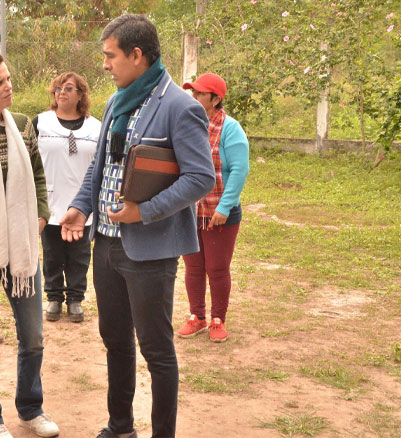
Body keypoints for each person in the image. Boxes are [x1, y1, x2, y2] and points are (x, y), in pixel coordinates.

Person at [59, 14, 215, 438]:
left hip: (151, 248)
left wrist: (144, 212)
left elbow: (200, 178)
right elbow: (100, 166)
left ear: (137, 55)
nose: (105, 65)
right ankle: (120, 426)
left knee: (156, 350)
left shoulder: (179, 107)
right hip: (107, 245)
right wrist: (79, 206)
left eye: (110, 56)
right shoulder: (116, 101)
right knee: (116, 342)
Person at [0, 50, 59, 438]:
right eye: (0, 82)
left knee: (33, 335)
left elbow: (37, 175)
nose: (9, 86)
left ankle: (31, 409)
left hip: (22, 248)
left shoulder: (21, 125)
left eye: (9, 78)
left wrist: (41, 213)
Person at [177, 73, 250, 343]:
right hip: (190, 209)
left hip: (220, 212)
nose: (194, 98)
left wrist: (225, 207)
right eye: (192, 93)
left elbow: (240, 169)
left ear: (216, 99)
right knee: (193, 268)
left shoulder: (231, 129)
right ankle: (197, 316)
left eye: (199, 94)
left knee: (217, 269)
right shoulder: (188, 125)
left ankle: (218, 319)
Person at [32, 72, 101, 323]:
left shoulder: (96, 127)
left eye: (69, 88)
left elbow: (101, 164)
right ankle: (53, 297)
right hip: (50, 202)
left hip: (83, 206)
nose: (62, 92)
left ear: (80, 94)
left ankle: (75, 299)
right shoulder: (40, 123)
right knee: (52, 254)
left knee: (79, 255)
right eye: (58, 88)